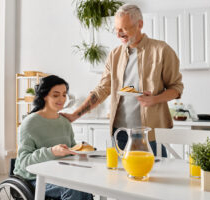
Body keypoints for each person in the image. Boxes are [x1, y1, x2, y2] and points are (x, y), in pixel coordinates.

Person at [62, 4, 184, 157]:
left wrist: (154, 99)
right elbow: (102, 90)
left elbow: (176, 88)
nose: (119, 34)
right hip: (120, 133)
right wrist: (75, 115)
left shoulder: (161, 50)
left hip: (150, 133)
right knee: (120, 179)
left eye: (124, 29)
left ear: (140, 24)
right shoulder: (115, 55)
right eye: (116, 29)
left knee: (156, 177)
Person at [13, 75, 93, 200]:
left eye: (64, 94)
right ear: (44, 96)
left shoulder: (64, 122)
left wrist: (82, 151)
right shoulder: (30, 123)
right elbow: (24, 162)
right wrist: (52, 152)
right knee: (73, 188)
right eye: (56, 95)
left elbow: (72, 149)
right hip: (34, 178)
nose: (61, 99)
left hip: (60, 173)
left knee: (88, 185)